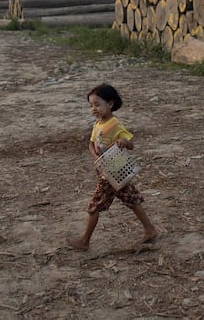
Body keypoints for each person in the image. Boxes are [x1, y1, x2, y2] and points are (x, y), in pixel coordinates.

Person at [68, 84, 158, 250]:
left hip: (114, 171)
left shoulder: (115, 125)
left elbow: (130, 144)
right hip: (107, 170)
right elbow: (91, 144)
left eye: (97, 104)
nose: (93, 108)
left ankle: (84, 241)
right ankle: (150, 230)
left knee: (94, 206)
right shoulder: (98, 124)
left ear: (110, 104)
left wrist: (123, 142)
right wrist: (96, 157)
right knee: (131, 200)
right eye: (91, 105)